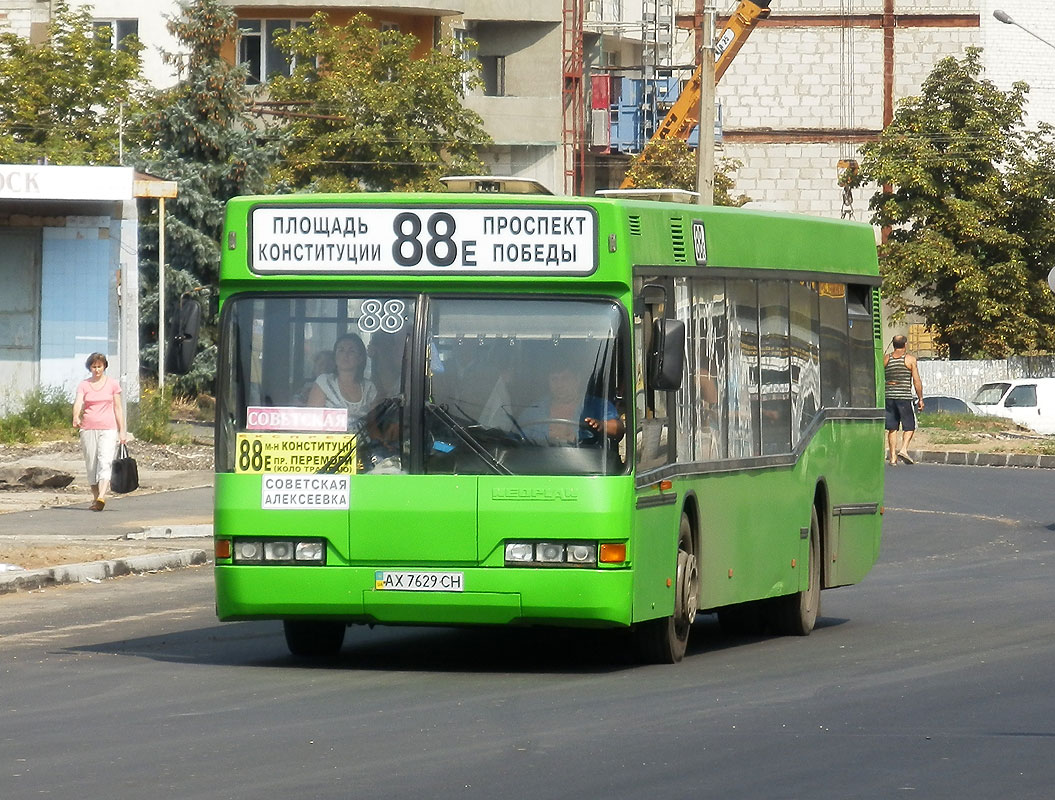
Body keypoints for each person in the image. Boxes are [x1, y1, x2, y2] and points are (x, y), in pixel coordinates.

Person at [72, 353, 127, 511]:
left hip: (108, 428)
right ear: (90, 367)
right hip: (88, 428)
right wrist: (76, 416)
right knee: (91, 464)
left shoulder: (112, 384)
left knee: (105, 461)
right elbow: (78, 402)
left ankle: (102, 496)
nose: (97, 369)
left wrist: (122, 431)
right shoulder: (84, 385)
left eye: (99, 366)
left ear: (104, 367)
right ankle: (96, 498)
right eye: (94, 366)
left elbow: (118, 408)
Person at [520, 364, 624, 444]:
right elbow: (516, 437)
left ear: (577, 380)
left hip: (588, 465)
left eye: (565, 379)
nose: (559, 385)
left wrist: (601, 425)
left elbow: (618, 429)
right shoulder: (536, 409)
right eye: (554, 380)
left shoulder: (596, 405)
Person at [306, 332, 377, 426]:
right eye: (341, 350)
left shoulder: (369, 388)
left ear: (360, 358)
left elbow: (375, 423)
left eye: (351, 351)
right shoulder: (324, 382)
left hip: (363, 440)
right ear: (335, 356)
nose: (345, 355)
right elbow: (312, 420)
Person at [884, 334, 924, 465]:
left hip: (889, 397)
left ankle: (893, 458)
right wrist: (920, 398)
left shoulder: (886, 359)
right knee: (909, 426)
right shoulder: (910, 360)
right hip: (904, 397)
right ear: (905, 345)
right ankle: (904, 449)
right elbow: (916, 381)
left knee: (892, 428)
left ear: (894, 345)